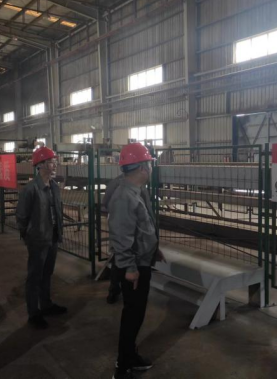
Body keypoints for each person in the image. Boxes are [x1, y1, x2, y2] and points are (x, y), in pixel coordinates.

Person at [108, 143, 165, 379]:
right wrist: (130, 268)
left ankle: (130, 355)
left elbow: (143, 226)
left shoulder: (137, 191)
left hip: (142, 259)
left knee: (137, 313)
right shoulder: (124, 197)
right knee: (132, 314)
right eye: (149, 164)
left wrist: (154, 249)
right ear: (142, 167)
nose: (151, 168)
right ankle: (123, 365)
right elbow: (121, 237)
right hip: (133, 266)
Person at [16, 146, 66, 329]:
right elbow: (21, 216)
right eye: (51, 162)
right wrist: (29, 235)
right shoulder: (30, 189)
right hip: (37, 239)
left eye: (54, 161)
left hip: (52, 237)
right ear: (41, 165)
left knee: (47, 273)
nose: (55, 165)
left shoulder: (54, 187)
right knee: (35, 276)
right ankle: (33, 313)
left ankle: (46, 305)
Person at [102, 175, 152, 305]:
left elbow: (146, 206)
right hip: (124, 227)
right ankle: (115, 289)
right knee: (120, 255)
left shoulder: (136, 183)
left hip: (136, 231)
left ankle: (117, 289)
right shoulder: (119, 184)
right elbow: (107, 203)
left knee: (120, 256)